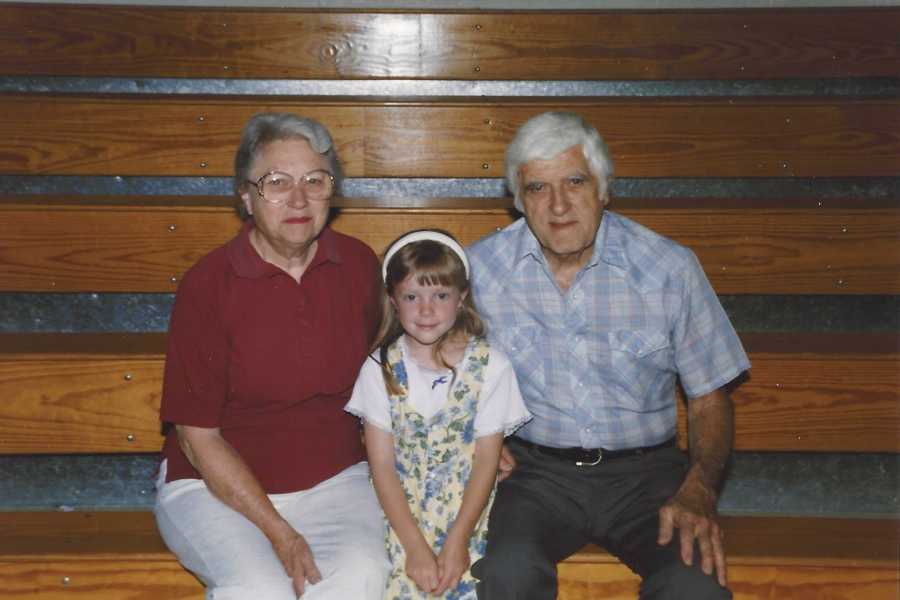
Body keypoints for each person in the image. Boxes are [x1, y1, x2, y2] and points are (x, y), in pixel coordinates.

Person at [467, 112, 751, 600]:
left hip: (647, 477)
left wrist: (700, 488)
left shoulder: (667, 268)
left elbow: (709, 397)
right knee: (504, 574)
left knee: (694, 587)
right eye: (537, 188)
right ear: (518, 201)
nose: (558, 205)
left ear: (604, 188)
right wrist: (476, 434)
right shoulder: (480, 270)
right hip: (536, 477)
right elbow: (437, 371)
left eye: (575, 181)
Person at [154, 112, 390, 600]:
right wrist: (279, 530)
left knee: (361, 576)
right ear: (246, 195)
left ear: (333, 191)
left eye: (315, 180)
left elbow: (396, 373)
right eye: (276, 182)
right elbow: (198, 439)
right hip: (214, 487)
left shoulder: (359, 266)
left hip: (335, 480)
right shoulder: (208, 285)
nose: (298, 199)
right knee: (259, 589)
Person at [345, 230, 531, 600]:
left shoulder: (490, 367)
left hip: (468, 513)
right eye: (412, 296)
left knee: (472, 579)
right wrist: (414, 547)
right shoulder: (379, 368)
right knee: (392, 579)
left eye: (440, 296)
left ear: (461, 298)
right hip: (398, 514)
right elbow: (382, 465)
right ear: (394, 301)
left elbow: (485, 463)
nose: (426, 310)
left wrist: (458, 540)